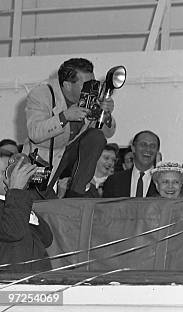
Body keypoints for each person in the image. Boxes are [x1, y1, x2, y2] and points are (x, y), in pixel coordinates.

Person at [24, 58, 116, 197]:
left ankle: (76, 193)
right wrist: (64, 117)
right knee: (35, 206)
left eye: (94, 84)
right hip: (43, 159)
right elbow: (35, 133)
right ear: (67, 85)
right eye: (87, 85)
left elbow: (107, 134)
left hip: (71, 156)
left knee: (96, 137)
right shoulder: (42, 94)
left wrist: (105, 114)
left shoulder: (90, 98)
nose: (92, 89)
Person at [0, 151, 53, 272]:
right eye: (5, 172)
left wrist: (19, 197)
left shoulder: (18, 202)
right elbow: (13, 231)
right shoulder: (16, 200)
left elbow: (47, 238)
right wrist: (16, 191)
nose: (13, 176)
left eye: (14, 170)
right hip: (9, 284)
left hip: (38, 280)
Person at [103, 131, 160, 198]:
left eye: (152, 146)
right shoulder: (114, 181)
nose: (148, 149)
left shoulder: (163, 182)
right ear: (133, 148)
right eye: (143, 144)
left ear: (157, 151)